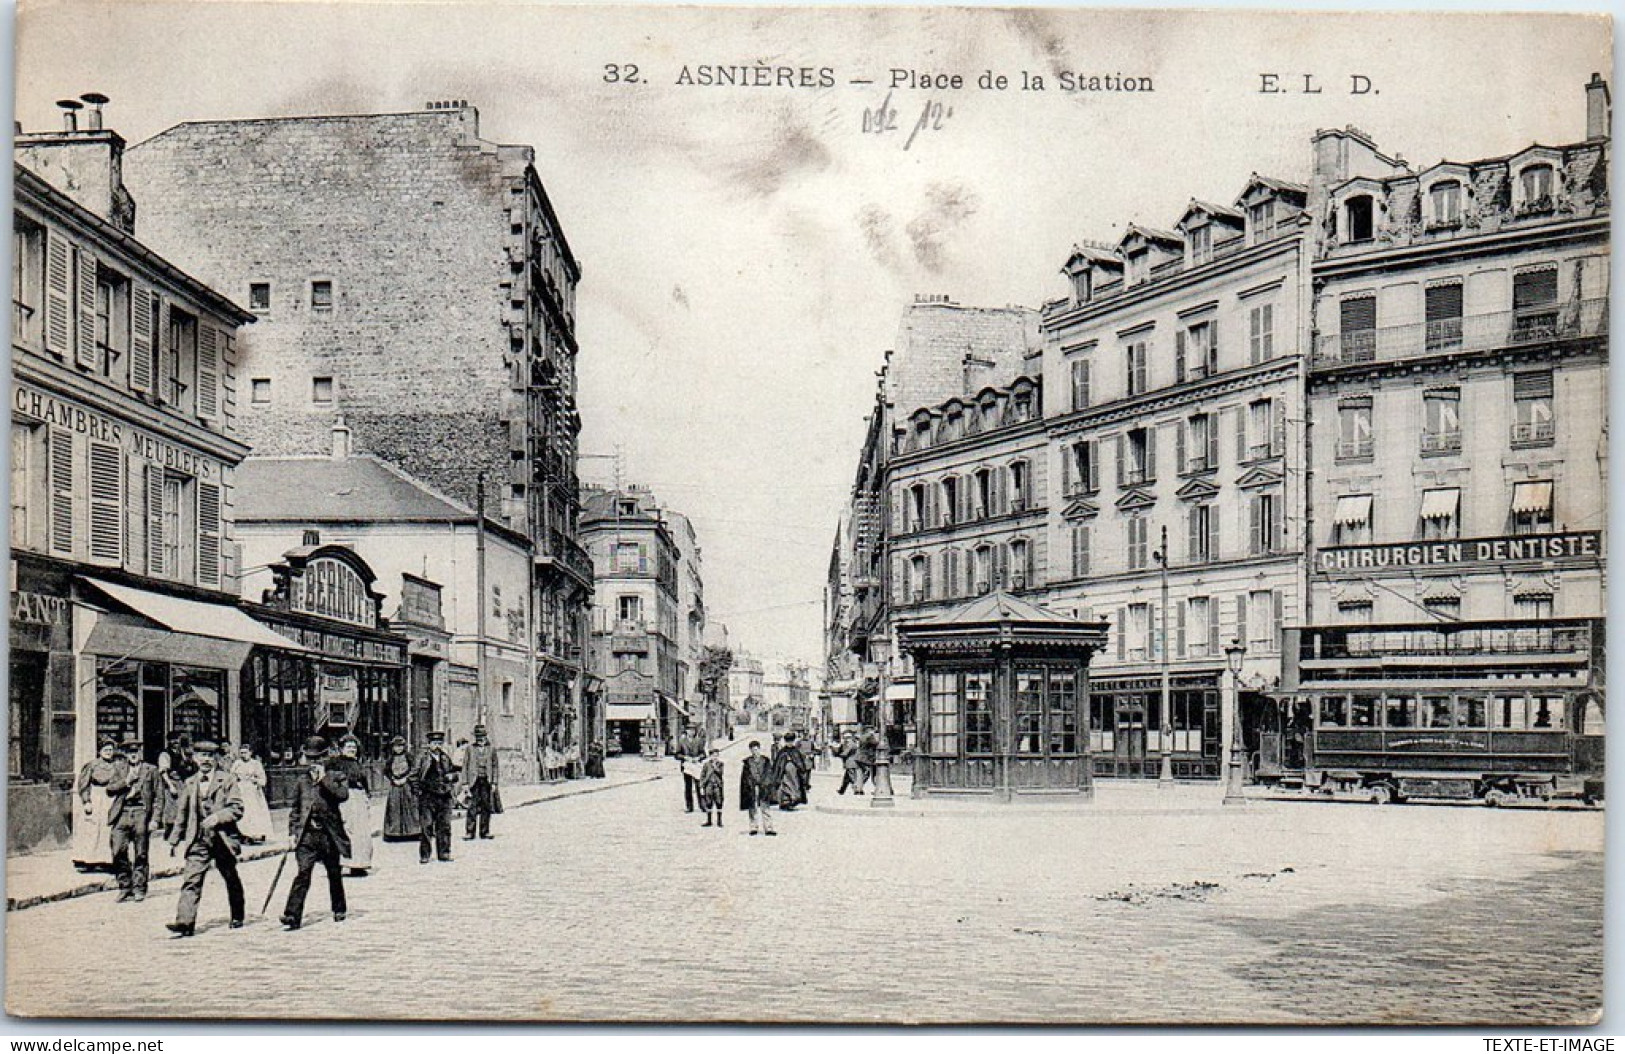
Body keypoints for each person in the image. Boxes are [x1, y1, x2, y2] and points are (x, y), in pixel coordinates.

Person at [165, 740, 245, 937]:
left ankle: (237, 915)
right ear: (195, 758)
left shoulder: (227, 780)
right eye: (202, 756)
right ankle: (185, 922)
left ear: (215, 759)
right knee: (191, 880)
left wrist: (218, 817)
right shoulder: (190, 782)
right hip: (198, 839)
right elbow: (182, 813)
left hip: (222, 839)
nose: (206, 760)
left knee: (230, 877)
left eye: (210, 756)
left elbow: (237, 808)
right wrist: (174, 840)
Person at [281, 736, 350, 930]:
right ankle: (292, 915)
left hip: (328, 835)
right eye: (311, 758)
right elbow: (295, 809)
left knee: (333, 872)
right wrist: (292, 833)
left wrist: (324, 779)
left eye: (318, 758)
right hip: (307, 835)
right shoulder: (302, 781)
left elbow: (343, 795)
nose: (314, 762)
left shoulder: (336, 776)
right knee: (303, 873)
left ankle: (339, 908)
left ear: (326, 757)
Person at [109, 738, 158, 901]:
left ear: (140, 752)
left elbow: (159, 797)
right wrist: (126, 781)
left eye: (136, 751)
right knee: (117, 850)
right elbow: (110, 789)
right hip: (122, 813)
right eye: (130, 752)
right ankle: (124, 885)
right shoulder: (119, 769)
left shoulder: (150, 770)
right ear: (125, 754)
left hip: (141, 812)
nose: (133, 755)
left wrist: (155, 819)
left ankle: (139, 888)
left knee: (141, 853)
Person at [72, 738, 121, 870]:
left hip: (110, 798)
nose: (108, 753)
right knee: (91, 829)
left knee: (107, 829)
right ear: (100, 751)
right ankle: (85, 860)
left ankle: (104, 860)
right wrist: (86, 801)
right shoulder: (92, 765)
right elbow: (84, 784)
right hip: (96, 797)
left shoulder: (116, 766)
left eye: (111, 750)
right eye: (106, 750)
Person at [329, 735, 374, 874]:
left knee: (362, 832)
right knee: (345, 830)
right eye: (348, 747)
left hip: (358, 799)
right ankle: (342, 863)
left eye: (354, 747)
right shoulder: (335, 763)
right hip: (344, 799)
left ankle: (359, 864)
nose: (352, 750)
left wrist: (367, 795)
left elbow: (364, 781)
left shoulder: (357, 763)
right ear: (341, 749)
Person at [412, 730, 458, 863]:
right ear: (429, 744)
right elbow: (413, 776)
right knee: (426, 826)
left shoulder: (445, 758)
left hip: (444, 796)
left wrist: (452, 777)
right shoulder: (422, 758)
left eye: (439, 743)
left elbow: (454, 773)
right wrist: (418, 791)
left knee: (444, 826)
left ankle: (444, 853)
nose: (437, 746)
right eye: (434, 743)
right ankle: (425, 854)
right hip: (427, 796)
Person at [461, 724, 501, 840]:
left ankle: (485, 831)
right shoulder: (470, 749)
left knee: (486, 806)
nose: (480, 740)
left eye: (482, 737)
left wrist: (494, 783)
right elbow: (465, 766)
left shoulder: (491, 749)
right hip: (474, 781)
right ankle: (470, 832)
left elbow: (495, 766)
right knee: (471, 807)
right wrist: (465, 783)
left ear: (485, 737)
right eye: (478, 737)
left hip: (486, 781)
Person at [157, 733, 197, 844]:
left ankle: (181, 832)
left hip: (183, 783)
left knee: (183, 807)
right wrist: (170, 786)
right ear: (168, 741)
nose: (175, 742)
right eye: (172, 740)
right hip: (172, 783)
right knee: (171, 810)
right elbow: (163, 772)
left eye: (177, 740)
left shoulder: (182, 752)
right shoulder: (165, 754)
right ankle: (169, 833)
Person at [381, 736, 421, 842]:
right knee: (394, 808)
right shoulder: (390, 759)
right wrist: (393, 779)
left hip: (407, 786)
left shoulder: (409, 757)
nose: (398, 749)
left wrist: (406, 778)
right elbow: (386, 771)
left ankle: (412, 832)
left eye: (401, 746)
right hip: (395, 786)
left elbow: (414, 769)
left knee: (410, 807)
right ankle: (394, 833)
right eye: (396, 746)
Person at [231, 743, 273, 844]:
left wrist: (255, 780)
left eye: (245, 752)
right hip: (241, 791)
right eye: (241, 753)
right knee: (244, 813)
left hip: (253, 792)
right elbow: (231, 777)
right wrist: (236, 780)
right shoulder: (237, 764)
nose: (243, 755)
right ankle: (245, 835)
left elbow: (263, 780)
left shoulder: (256, 764)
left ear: (250, 753)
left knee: (255, 813)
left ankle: (257, 834)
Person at [737, 740, 776, 836]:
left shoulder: (766, 761)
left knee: (765, 807)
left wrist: (766, 784)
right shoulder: (747, 762)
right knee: (752, 807)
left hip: (764, 787)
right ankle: (753, 827)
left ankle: (769, 828)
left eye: (756, 749)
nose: (755, 752)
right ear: (750, 751)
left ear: (759, 749)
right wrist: (750, 785)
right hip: (752, 787)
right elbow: (745, 777)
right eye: (753, 750)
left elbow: (769, 774)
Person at [772, 732, 809, 811]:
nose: (790, 743)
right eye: (788, 741)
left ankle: (792, 802)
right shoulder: (782, 751)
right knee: (785, 788)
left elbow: (800, 762)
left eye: (791, 741)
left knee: (794, 788)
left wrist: (801, 769)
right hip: (784, 774)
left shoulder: (796, 751)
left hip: (794, 775)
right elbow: (778, 763)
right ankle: (785, 803)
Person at [675, 724, 706, 812]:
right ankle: (689, 806)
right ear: (686, 731)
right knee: (688, 787)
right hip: (687, 766)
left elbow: (704, 754)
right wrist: (685, 757)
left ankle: (702, 805)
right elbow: (677, 754)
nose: (691, 732)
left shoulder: (699, 741)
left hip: (696, 766)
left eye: (693, 730)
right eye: (689, 730)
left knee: (699, 786)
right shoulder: (682, 741)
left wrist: (698, 758)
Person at [697, 746, 725, 828]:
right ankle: (709, 820)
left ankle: (719, 821)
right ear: (710, 756)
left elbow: (721, 773)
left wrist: (715, 767)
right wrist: (701, 785)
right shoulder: (706, 765)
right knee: (708, 802)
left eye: (716, 755)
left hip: (717, 786)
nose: (715, 757)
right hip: (708, 785)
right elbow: (702, 775)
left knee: (719, 802)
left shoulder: (720, 764)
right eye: (713, 755)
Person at [836, 731, 861, 795]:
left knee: (852, 778)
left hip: (850, 763)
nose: (845, 739)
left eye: (847, 737)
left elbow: (845, 753)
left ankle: (857, 790)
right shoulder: (852, 744)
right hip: (851, 763)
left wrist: (838, 754)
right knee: (846, 778)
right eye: (845, 737)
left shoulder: (851, 744)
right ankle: (842, 790)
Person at [856, 726, 879, 793]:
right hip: (866, 758)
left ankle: (858, 788)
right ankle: (858, 788)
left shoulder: (862, 736)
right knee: (869, 773)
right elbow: (876, 743)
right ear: (869, 730)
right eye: (872, 730)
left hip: (859, 757)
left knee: (861, 773)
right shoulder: (869, 736)